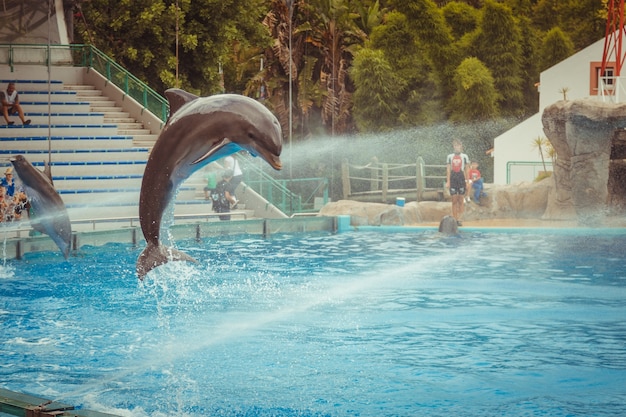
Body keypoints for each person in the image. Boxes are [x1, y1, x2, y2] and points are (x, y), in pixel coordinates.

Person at [446, 139, 470, 226]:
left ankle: (460, 219)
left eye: (458, 145)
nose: (457, 147)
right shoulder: (449, 156)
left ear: (461, 147)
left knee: (461, 199)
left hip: (461, 177)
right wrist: (448, 181)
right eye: (455, 145)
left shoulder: (465, 156)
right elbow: (448, 169)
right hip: (453, 178)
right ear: (453, 147)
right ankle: (454, 218)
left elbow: (467, 170)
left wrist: (467, 182)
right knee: (454, 200)